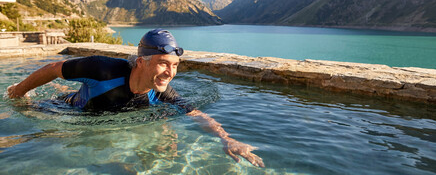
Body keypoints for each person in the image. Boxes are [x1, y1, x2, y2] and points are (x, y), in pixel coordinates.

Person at [7, 28, 265, 168]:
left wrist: (228, 139)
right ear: (141, 62)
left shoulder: (162, 91)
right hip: (68, 111)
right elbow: (54, 68)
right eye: (164, 63)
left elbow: (196, 114)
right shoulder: (102, 68)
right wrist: (19, 91)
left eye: (175, 65)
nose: (171, 72)